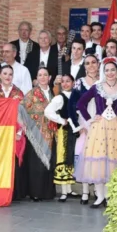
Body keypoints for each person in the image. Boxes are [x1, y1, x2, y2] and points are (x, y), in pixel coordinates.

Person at [76, 58, 117, 208]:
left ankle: (108, 196)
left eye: (112, 70)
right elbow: (80, 104)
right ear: (103, 72)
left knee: (112, 161)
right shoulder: (97, 87)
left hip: (116, 129)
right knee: (99, 162)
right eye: (107, 70)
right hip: (99, 128)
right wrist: (89, 119)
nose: (110, 73)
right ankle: (100, 196)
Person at [17, 68, 57, 202]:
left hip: (51, 132)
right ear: (36, 78)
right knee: (36, 164)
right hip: (36, 132)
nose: (43, 77)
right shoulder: (32, 93)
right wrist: (24, 125)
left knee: (49, 163)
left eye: (45, 74)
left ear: (50, 77)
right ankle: (35, 192)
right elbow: (20, 109)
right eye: (40, 75)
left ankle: (48, 192)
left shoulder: (54, 93)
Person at [70, 54, 101, 204]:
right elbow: (71, 105)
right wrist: (78, 126)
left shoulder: (103, 82)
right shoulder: (79, 83)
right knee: (84, 155)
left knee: (98, 156)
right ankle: (84, 192)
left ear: (98, 64)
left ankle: (97, 190)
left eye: (93, 62)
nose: (91, 65)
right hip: (84, 122)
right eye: (87, 63)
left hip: (100, 122)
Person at [44, 74, 79, 202]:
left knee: (71, 156)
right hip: (64, 131)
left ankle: (69, 189)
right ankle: (64, 192)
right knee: (63, 156)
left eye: (68, 81)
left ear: (73, 82)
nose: (65, 84)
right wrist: (60, 120)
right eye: (63, 82)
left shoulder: (77, 95)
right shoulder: (59, 97)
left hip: (75, 131)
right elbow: (47, 111)